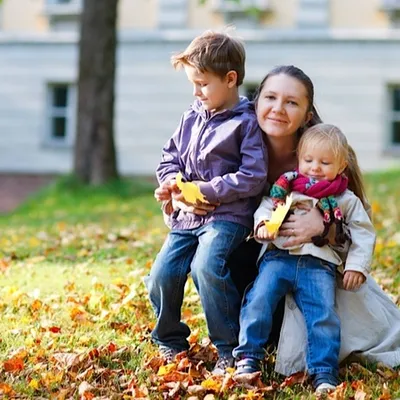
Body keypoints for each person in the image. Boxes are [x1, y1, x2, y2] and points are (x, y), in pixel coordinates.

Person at [169, 65, 400, 377]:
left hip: (318, 265)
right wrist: (177, 199)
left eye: (291, 102)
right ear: (256, 103)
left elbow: (358, 227)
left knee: (333, 322)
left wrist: (324, 228)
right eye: (270, 98)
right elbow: (192, 196)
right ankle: (237, 345)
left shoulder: (324, 158)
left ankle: (307, 352)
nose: (278, 109)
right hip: (261, 260)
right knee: (215, 256)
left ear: (306, 114)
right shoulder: (234, 147)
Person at [145, 30, 268, 375]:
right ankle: (169, 339)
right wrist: (170, 184)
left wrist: (207, 190)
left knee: (205, 267)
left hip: (227, 217)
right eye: (193, 85)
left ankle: (229, 348)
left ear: (230, 79)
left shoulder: (247, 123)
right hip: (187, 218)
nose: (197, 92)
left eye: (202, 84)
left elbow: (253, 175)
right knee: (161, 274)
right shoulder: (192, 115)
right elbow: (169, 158)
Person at [233, 124, 376, 393]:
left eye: (325, 162)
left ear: (342, 165)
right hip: (279, 258)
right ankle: (248, 357)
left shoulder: (344, 199)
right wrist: (263, 223)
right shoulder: (286, 187)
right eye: (308, 160)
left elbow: (363, 232)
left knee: (322, 314)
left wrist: (356, 265)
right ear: (299, 160)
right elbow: (267, 205)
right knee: (258, 300)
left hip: (318, 266)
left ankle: (323, 371)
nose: (315, 168)